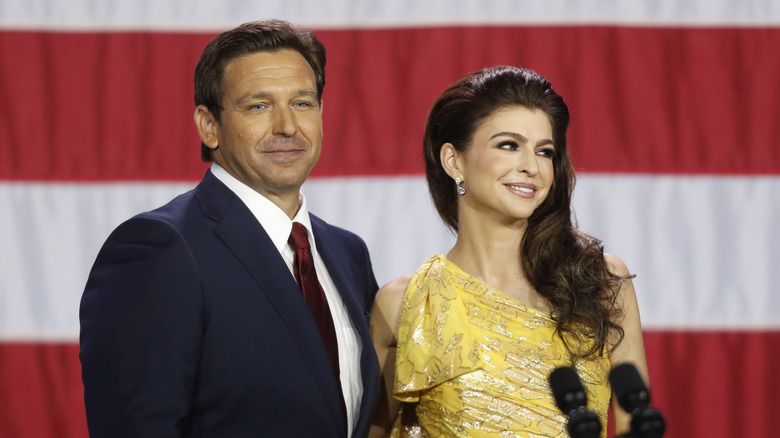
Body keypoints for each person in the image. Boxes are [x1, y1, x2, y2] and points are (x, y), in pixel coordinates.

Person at [80, 20, 380, 438]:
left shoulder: (348, 253)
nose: (287, 126)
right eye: (258, 106)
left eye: (302, 103)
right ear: (209, 125)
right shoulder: (160, 249)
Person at [369, 66, 648, 437]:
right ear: (454, 161)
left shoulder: (600, 282)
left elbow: (636, 425)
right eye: (509, 145)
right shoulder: (407, 302)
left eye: (544, 151)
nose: (531, 167)